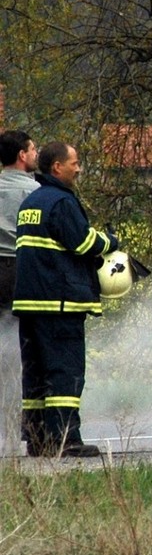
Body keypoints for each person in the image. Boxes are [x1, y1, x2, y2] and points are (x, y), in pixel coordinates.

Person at [11, 141, 118, 458]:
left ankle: (38, 439)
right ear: (57, 166)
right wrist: (111, 241)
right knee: (64, 371)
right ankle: (66, 439)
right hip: (59, 303)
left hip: (30, 304)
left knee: (36, 374)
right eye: (75, 162)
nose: (79, 167)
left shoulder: (31, 202)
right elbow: (84, 242)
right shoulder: (61, 202)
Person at [0, 130, 40, 450]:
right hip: (22, 271)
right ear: (22, 155)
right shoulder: (38, 191)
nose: (36, 153)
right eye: (33, 149)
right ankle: (21, 425)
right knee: (22, 351)